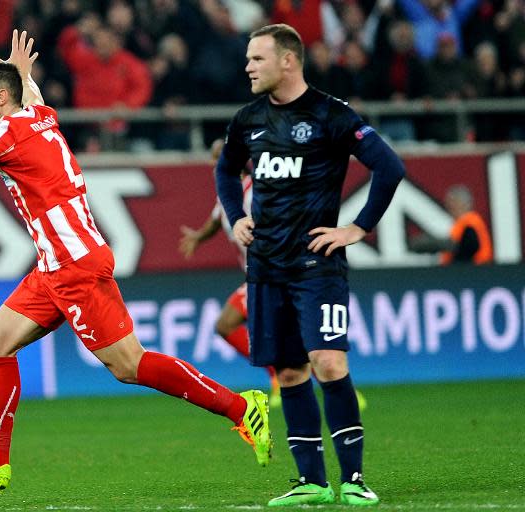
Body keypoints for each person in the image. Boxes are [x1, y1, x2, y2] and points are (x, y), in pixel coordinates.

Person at [0, 30, 271, 492]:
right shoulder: (38, 114)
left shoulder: (3, 133)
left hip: (76, 265)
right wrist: (20, 71)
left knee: (128, 366)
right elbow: (27, 92)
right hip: (53, 266)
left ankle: (241, 407)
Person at [216, 24, 405, 506]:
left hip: (316, 266)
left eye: (257, 58)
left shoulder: (331, 114)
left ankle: (355, 478)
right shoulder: (247, 119)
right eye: (248, 59)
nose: (248, 67)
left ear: (287, 61)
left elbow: (389, 167)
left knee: (327, 361)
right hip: (264, 268)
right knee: (291, 372)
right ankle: (311, 482)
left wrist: (356, 228)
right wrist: (237, 217)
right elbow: (224, 168)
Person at [179, 138, 281, 407]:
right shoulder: (227, 194)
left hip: (272, 274)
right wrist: (199, 237)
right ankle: (283, 375)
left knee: (232, 325)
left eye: (217, 158)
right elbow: (216, 220)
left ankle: (334, 384)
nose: (212, 165)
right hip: (256, 277)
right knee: (237, 327)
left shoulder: (255, 192)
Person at [410, 184, 493, 265]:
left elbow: (468, 246)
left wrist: (434, 244)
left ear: (464, 204)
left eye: (453, 203)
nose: (450, 207)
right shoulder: (461, 223)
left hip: (475, 270)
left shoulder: (470, 222)